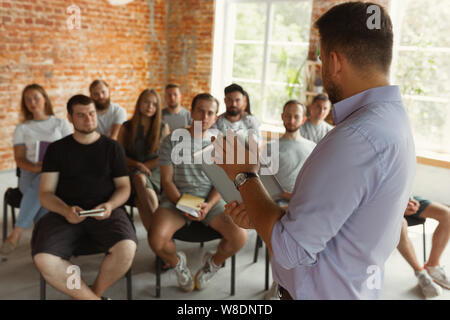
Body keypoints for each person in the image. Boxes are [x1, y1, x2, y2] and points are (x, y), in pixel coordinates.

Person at [214, 2, 416, 299]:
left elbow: (289, 251)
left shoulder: (355, 138)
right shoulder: (392, 120)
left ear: (334, 62)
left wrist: (244, 175)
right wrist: (272, 214)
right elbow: (347, 218)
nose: (322, 68)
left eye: (321, 59)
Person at [32, 94, 137, 300]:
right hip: (65, 213)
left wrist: (110, 205)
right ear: (70, 118)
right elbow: (45, 193)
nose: (88, 119)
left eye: (91, 114)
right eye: (81, 115)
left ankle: (92, 294)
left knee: (127, 248)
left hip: (106, 211)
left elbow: (124, 187)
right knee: (44, 259)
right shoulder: (57, 149)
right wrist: (64, 210)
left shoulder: (112, 148)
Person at [148, 93, 247, 292]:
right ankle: (178, 264)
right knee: (155, 239)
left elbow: (222, 183)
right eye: (200, 110)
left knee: (239, 237)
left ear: (216, 117)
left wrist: (208, 205)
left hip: (211, 201)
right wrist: (185, 205)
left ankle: (212, 263)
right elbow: (166, 181)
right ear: (191, 112)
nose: (204, 116)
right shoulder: (172, 140)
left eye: (210, 112)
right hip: (177, 200)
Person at [0, 84, 72, 255]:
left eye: (36, 97)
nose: (32, 102)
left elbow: (71, 154)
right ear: (24, 103)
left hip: (56, 175)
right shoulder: (22, 128)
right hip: (29, 174)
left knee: (43, 184)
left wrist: (50, 168)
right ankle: (47, 247)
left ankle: (18, 234)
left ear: (45, 99)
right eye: (28, 99)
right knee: (42, 191)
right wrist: (36, 167)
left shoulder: (60, 124)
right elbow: (19, 159)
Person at [261, 100, 316, 299]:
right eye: (287, 115)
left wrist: (295, 197)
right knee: (276, 232)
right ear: (282, 116)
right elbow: (263, 183)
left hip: (303, 204)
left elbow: (316, 184)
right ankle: (279, 282)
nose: (291, 120)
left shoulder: (313, 148)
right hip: (277, 204)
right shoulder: (269, 148)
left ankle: (296, 284)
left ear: (303, 119)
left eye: (296, 116)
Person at [118, 89, 170, 231]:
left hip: (155, 173)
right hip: (131, 170)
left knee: (140, 200)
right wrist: (138, 165)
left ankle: (157, 238)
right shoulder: (126, 127)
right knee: (140, 179)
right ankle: (160, 236)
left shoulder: (163, 127)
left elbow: (165, 156)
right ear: (139, 103)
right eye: (146, 102)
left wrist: (144, 166)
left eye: (154, 104)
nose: (150, 107)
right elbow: (119, 155)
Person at [397, 196, 450, 298]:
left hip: (403, 196)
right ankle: (420, 272)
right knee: (400, 225)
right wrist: (399, 207)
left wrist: (409, 199)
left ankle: (432, 266)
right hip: (384, 201)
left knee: (447, 215)